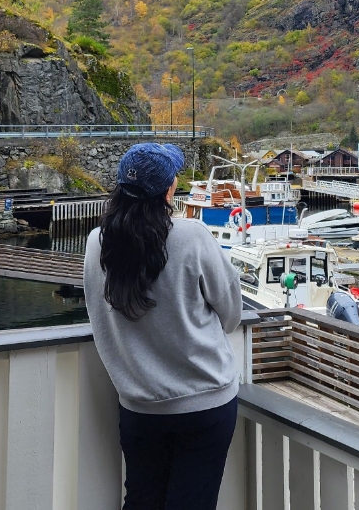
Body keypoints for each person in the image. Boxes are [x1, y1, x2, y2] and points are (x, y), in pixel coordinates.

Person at [83, 142, 243, 510]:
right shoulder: (192, 236)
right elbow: (231, 314)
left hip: (139, 405)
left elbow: (98, 311)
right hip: (205, 401)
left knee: (140, 500)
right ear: (169, 190)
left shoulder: (97, 243)